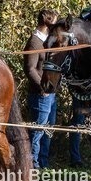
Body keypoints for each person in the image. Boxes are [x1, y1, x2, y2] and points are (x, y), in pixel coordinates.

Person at [24, 9, 58, 169]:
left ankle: (43, 162)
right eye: (55, 21)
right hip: (40, 94)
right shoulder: (35, 42)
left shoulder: (47, 41)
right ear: (47, 21)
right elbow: (30, 68)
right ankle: (32, 164)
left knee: (48, 129)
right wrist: (42, 88)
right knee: (37, 130)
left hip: (51, 93)